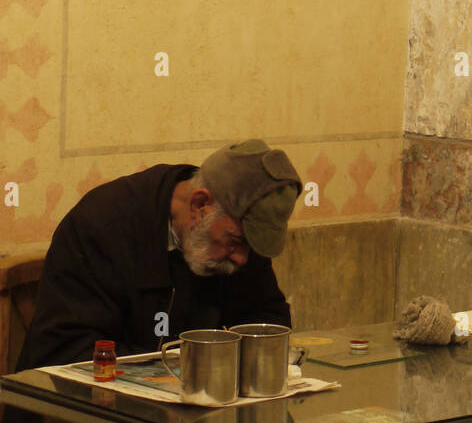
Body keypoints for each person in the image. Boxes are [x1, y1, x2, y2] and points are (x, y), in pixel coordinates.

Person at [16, 139, 302, 371]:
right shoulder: (102, 226)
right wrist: (182, 371)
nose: (241, 259)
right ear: (200, 205)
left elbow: (268, 322)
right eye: (237, 241)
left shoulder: (237, 239)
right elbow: (66, 354)